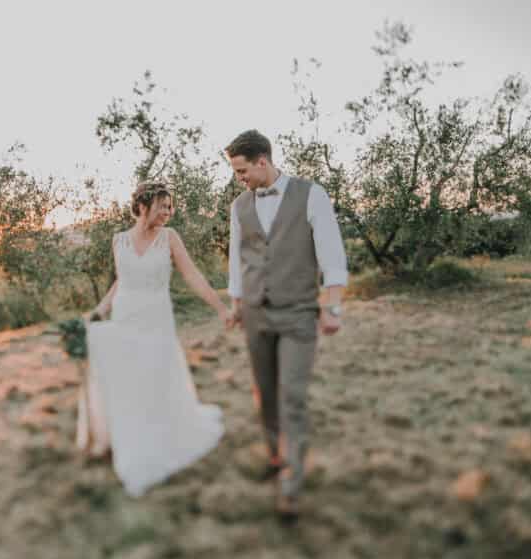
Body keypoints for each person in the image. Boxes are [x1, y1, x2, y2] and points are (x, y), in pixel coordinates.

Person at [76, 180, 231, 497]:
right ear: (144, 205)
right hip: (126, 315)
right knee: (130, 380)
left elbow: (192, 275)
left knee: (157, 376)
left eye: (170, 206)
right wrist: (98, 311)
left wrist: (220, 308)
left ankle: (162, 435)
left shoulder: (169, 237)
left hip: (157, 317)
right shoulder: (118, 241)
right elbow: (122, 282)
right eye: (163, 205)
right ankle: (129, 436)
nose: (169, 211)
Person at [224, 129, 348, 521]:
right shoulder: (238, 206)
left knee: (291, 395)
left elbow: (331, 253)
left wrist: (333, 306)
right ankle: (277, 456)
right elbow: (236, 260)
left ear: (263, 160)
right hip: (256, 314)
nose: (238, 178)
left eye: (242, 170)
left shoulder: (311, 194)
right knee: (265, 394)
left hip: (297, 313)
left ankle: (292, 486)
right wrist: (236, 301)